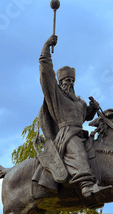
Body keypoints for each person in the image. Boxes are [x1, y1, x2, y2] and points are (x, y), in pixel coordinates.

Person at [38, 34, 100, 197]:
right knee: (76, 149)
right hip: (67, 135)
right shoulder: (57, 97)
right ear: (59, 84)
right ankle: (86, 184)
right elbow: (46, 75)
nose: (70, 83)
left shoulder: (79, 102)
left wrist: (92, 109)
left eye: (72, 80)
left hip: (81, 133)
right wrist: (46, 49)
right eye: (66, 81)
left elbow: (84, 117)